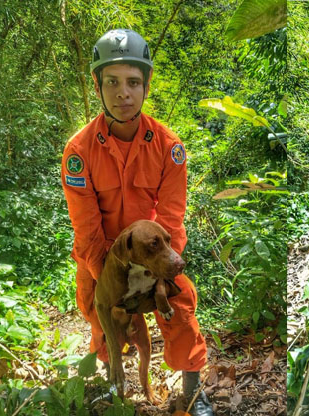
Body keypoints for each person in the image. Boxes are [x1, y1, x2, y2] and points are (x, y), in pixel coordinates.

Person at [61, 29, 213, 415]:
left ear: (145, 86)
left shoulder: (168, 147)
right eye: (111, 82)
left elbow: (172, 220)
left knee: (180, 305)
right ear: (98, 85)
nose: (122, 93)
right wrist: (114, 282)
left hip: (154, 252)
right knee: (100, 314)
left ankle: (194, 393)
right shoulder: (79, 152)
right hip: (103, 256)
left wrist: (157, 276)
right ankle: (112, 387)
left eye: (132, 82)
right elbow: (87, 227)